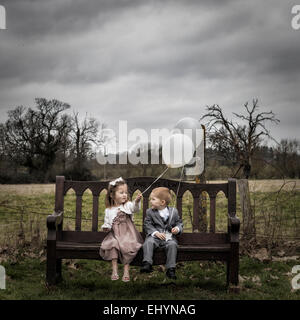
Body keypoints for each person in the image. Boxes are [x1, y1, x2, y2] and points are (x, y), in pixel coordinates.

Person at [99, 177, 143, 282]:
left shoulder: (127, 205)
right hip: (115, 234)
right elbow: (107, 223)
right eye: (121, 192)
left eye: (126, 193)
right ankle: (114, 270)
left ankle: (126, 270)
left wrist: (136, 202)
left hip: (128, 234)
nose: (124, 195)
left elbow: (135, 209)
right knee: (113, 244)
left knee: (127, 245)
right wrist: (106, 227)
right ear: (112, 195)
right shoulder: (108, 210)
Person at [140, 187, 183, 280]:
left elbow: (179, 223)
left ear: (162, 202)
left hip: (168, 236)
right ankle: (147, 263)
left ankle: (171, 269)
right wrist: (155, 232)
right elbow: (147, 224)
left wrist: (177, 229)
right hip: (155, 236)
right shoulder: (150, 212)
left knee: (172, 245)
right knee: (148, 242)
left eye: (153, 199)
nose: (150, 201)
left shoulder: (173, 212)